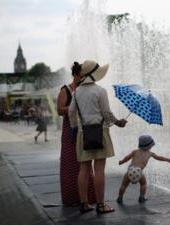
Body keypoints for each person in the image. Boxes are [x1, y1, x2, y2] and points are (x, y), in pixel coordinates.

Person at [69, 60, 127, 215]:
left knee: (83, 169)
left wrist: (75, 128)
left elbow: (71, 113)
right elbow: (106, 113)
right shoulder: (100, 91)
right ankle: (101, 206)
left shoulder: (76, 92)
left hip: (83, 135)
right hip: (99, 133)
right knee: (99, 169)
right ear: (94, 74)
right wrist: (117, 122)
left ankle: (84, 204)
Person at [57, 62, 96, 206]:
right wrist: (74, 107)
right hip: (70, 131)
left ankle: (88, 197)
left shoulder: (86, 89)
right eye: (81, 75)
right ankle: (71, 197)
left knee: (85, 162)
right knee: (70, 162)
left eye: (84, 75)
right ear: (75, 75)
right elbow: (59, 110)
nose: (83, 77)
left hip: (85, 129)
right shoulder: (65, 90)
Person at [116, 135, 170, 204]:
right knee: (143, 184)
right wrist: (168, 160)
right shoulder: (150, 153)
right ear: (150, 146)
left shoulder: (135, 151)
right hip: (139, 171)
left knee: (124, 185)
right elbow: (159, 158)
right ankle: (141, 197)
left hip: (130, 171)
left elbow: (127, 157)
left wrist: (121, 162)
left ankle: (120, 197)